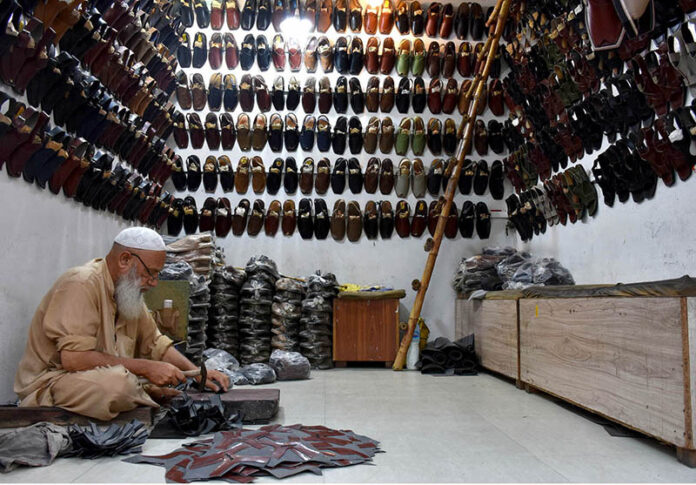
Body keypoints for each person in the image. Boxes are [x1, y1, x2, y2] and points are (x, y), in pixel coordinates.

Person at [14, 227, 230, 421]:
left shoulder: (128, 292)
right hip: (54, 383)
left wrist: (197, 372)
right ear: (125, 259)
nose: (154, 283)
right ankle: (141, 392)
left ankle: (139, 391)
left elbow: (155, 343)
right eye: (150, 273)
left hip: (96, 377)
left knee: (124, 381)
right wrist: (147, 369)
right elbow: (74, 359)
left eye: (157, 274)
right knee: (117, 386)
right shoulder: (81, 283)